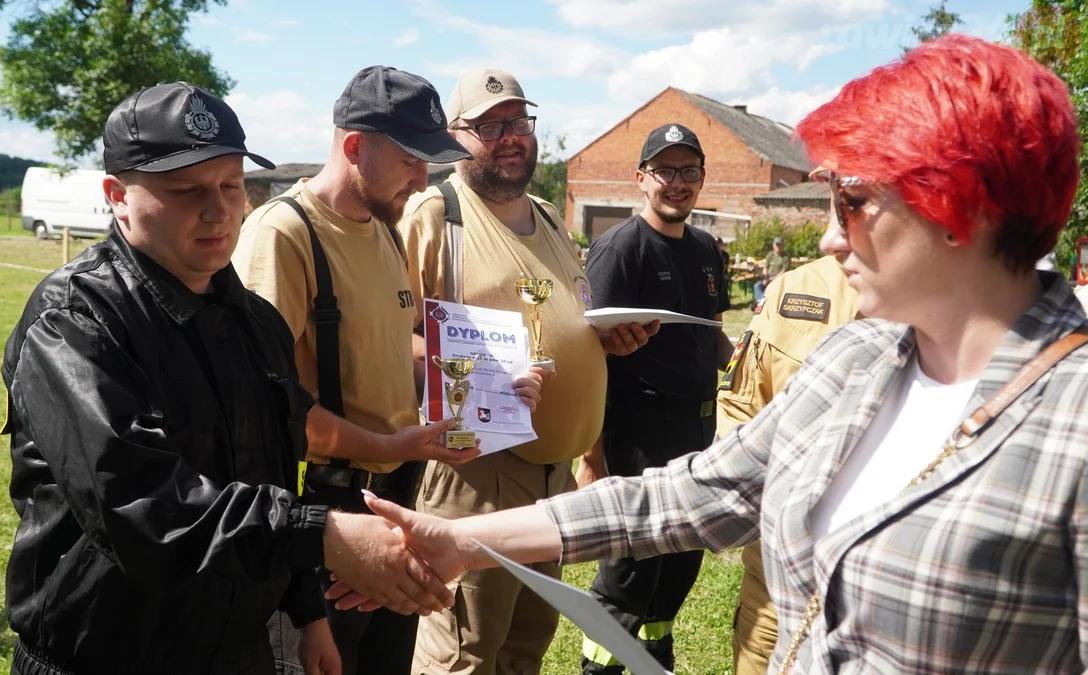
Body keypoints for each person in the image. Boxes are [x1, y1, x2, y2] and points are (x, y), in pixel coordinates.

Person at [336, 35, 1088, 673]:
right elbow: (688, 495)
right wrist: (459, 542)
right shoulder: (855, 361)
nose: (828, 238)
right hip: (484, 467)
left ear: (960, 208)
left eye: (852, 204)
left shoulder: (1071, 423)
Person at [0, 82, 457, 675]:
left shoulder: (255, 321)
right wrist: (323, 537)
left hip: (235, 650)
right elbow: (139, 502)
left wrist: (307, 611)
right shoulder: (75, 320)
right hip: (106, 651)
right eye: (186, 191)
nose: (218, 211)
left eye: (231, 186)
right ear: (117, 196)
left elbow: (273, 471)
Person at [231, 66, 545, 675]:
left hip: (392, 499)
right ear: (354, 147)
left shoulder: (385, 229)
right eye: (410, 161)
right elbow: (265, 404)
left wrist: (489, 376)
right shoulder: (285, 235)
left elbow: (390, 344)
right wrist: (385, 443)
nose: (424, 179)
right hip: (324, 513)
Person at [397, 67, 655, 675]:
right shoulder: (434, 216)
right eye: (489, 126)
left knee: (523, 648)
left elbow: (568, 316)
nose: (510, 136)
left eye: (518, 121)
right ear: (454, 136)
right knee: (463, 652)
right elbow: (387, 336)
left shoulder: (547, 214)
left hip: (551, 479)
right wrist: (482, 373)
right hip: (477, 473)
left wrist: (604, 342)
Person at [575, 123, 733, 675]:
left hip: (697, 434)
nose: (677, 182)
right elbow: (587, 358)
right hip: (637, 433)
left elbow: (713, 336)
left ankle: (655, 656)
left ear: (702, 179)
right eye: (664, 170)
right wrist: (592, 458)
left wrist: (751, 356)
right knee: (630, 571)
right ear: (641, 179)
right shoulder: (620, 251)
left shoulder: (708, 250)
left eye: (688, 171)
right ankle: (599, 666)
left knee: (680, 562)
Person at [715, 254, 859, 675]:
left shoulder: (960, 305)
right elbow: (739, 410)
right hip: (776, 584)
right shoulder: (795, 289)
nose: (834, 235)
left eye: (857, 202)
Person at [753, 236, 789, 303]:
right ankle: (760, 302)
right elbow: (765, 268)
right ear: (773, 245)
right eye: (776, 244)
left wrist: (771, 280)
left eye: (780, 245)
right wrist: (765, 278)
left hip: (779, 280)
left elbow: (783, 271)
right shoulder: (770, 254)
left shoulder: (786, 257)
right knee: (757, 286)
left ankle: (761, 303)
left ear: (783, 246)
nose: (778, 246)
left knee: (769, 289)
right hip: (768, 277)